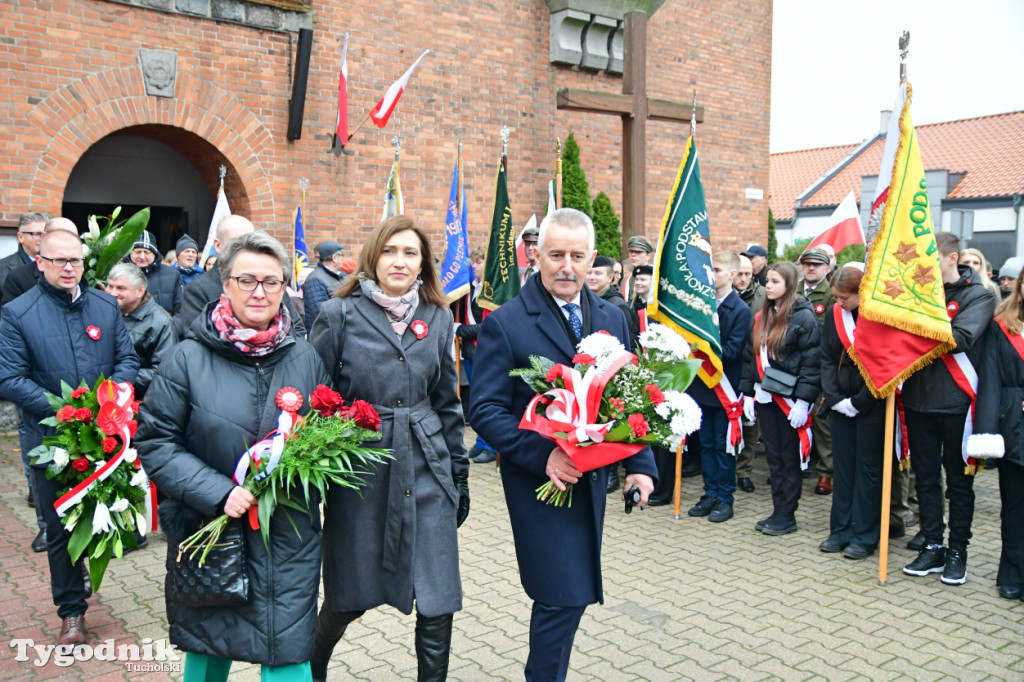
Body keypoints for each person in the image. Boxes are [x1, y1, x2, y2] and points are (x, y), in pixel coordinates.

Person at [470, 208, 656, 681]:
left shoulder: (613, 316)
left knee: (565, 596)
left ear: (593, 258)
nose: (567, 266)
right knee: (561, 595)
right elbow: (486, 409)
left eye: (577, 255)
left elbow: (627, 398)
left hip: (591, 483)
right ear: (537, 256)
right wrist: (544, 453)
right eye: (556, 255)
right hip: (539, 485)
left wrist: (641, 464)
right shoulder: (507, 322)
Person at [136, 231, 329, 681]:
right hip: (211, 532)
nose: (259, 292)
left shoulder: (305, 357)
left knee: (290, 655)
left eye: (271, 281)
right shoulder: (186, 358)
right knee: (208, 649)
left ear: (285, 287)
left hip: (288, 535)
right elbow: (156, 442)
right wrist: (221, 493)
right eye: (247, 280)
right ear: (225, 284)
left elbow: (324, 429)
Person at [307, 215, 469, 682]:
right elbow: (315, 394)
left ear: (424, 264)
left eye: (411, 253)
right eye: (391, 251)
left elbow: (446, 400)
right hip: (360, 469)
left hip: (427, 465)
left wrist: (458, 472)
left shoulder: (438, 317)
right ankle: (309, 670)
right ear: (373, 257)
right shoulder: (338, 314)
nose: (400, 261)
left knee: (438, 595)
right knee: (348, 596)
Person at [0, 228, 139, 646]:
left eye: (75, 260)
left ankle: (84, 572)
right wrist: (68, 411)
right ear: (39, 261)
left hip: (106, 434)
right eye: (59, 260)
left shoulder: (104, 305)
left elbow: (127, 359)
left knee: (103, 516)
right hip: (51, 439)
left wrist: (109, 402)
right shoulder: (17, 313)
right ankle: (72, 612)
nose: (68, 268)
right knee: (60, 527)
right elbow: (9, 378)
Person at [901, 232, 995, 585]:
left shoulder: (978, 296)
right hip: (918, 401)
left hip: (957, 404)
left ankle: (958, 551)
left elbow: (961, 338)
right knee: (925, 479)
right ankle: (933, 544)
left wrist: (913, 324)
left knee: (958, 482)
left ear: (951, 258)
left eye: (931, 259)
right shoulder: (917, 294)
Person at [740, 262, 820, 536]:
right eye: (768, 281)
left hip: (788, 399)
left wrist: (803, 400)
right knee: (774, 457)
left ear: (789, 285)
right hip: (765, 397)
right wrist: (749, 392)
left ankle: (787, 513)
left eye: (775, 282)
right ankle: (778, 510)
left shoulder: (803, 317)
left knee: (789, 457)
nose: (769, 286)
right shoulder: (764, 314)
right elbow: (752, 356)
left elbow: (812, 364)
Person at [817, 265, 887, 559]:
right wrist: (834, 398)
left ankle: (864, 535)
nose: (839, 303)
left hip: (870, 405)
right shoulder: (835, 315)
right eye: (835, 297)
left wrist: (859, 401)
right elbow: (826, 357)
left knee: (868, 471)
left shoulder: (878, 315)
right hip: (840, 404)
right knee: (843, 469)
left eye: (844, 298)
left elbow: (884, 363)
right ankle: (840, 530)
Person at [968, 266, 1024, 600]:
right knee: (1015, 506)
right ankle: (1013, 574)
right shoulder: (1002, 326)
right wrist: (988, 432)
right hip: (1014, 424)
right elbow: (989, 381)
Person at [686, 251, 752, 523]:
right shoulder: (701, 304)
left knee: (724, 446)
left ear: (733, 275)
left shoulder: (740, 310)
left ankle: (725, 497)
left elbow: (734, 350)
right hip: (703, 386)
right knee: (707, 444)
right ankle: (710, 492)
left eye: (717, 270)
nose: (711, 275)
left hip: (725, 387)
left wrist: (701, 347)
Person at [182, 215, 306, 337]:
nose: (259, 294)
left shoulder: (272, 284)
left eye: (252, 240)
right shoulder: (198, 289)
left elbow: (298, 330)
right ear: (218, 246)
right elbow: (196, 336)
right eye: (237, 242)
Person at [106, 262, 176, 400]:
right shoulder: (105, 310)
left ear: (140, 290)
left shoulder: (161, 323)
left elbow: (162, 372)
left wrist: (118, 378)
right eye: (110, 286)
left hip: (137, 401)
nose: (112, 293)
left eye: (120, 288)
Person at [454, 246, 498, 464]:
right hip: (471, 352)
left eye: (479, 262)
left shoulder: (492, 291)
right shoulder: (469, 289)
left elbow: (487, 325)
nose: (475, 266)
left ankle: (490, 444)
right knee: (475, 399)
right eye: (474, 262)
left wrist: (459, 329)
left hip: (486, 350)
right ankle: (481, 441)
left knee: (486, 398)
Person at [799, 246, 836, 496]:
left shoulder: (832, 294)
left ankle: (826, 472)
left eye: (817, 265)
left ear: (827, 268)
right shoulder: (793, 289)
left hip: (821, 367)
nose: (811, 268)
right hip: (794, 366)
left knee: (823, 425)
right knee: (792, 419)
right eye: (808, 264)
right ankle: (794, 465)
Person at [733, 253, 765, 493]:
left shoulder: (763, 297)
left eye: (747, 274)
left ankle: (744, 470)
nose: (743, 279)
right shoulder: (720, 295)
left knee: (750, 422)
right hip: (728, 367)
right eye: (739, 274)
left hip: (753, 365)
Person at [2, 217, 79, 306]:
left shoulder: (84, 276)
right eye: (62, 237)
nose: (68, 268)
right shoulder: (17, 278)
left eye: (74, 237)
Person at [127, 230, 183, 321]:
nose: (142, 256)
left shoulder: (173, 276)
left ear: (154, 254)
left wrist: (167, 332)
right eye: (137, 251)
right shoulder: (119, 275)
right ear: (130, 253)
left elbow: (181, 313)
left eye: (146, 252)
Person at [0, 212, 47, 307]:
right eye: (36, 234)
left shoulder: (56, 265)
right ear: (20, 237)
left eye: (45, 234)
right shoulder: (3, 268)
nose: (42, 238)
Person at [302, 240, 347, 326]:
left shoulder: (342, 277)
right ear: (334, 258)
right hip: (325, 335)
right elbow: (321, 314)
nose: (342, 258)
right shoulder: (314, 280)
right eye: (341, 255)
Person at [622, 234, 653, 300]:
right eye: (631, 251)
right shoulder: (627, 279)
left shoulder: (655, 277)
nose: (633, 254)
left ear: (648, 255)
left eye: (638, 252)